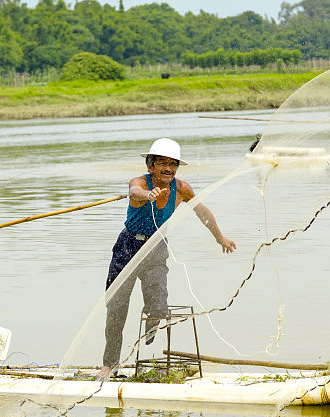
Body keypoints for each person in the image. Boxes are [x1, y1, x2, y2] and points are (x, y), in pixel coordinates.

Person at [98, 138, 236, 379]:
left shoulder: (181, 188)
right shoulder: (141, 183)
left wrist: (220, 238)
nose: (169, 169)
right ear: (151, 166)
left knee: (158, 305)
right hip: (127, 245)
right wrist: (147, 195)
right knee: (117, 308)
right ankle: (110, 365)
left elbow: (201, 212)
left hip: (156, 247)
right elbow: (134, 192)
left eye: (173, 164)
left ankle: (151, 326)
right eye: (163, 163)